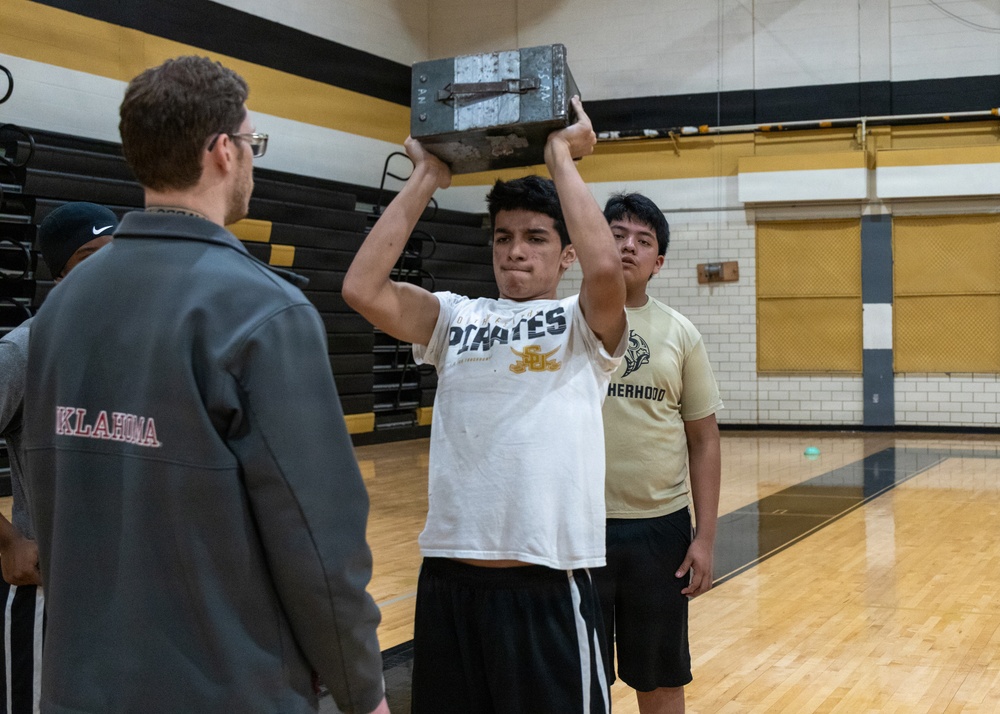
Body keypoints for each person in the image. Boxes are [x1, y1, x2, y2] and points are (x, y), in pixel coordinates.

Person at [20, 56, 388, 714]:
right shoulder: (264, 310)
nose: (253, 160)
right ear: (223, 151)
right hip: (229, 690)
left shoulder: (61, 308)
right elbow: (318, 543)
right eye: (252, 144)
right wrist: (363, 690)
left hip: (80, 686)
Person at [343, 97, 627, 714]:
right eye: (504, 237)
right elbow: (362, 288)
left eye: (534, 238)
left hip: (548, 579)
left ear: (566, 252)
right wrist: (426, 177)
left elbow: (609, 270)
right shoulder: (455, 316)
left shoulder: (579, 322)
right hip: (449, 578)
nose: (515, 251)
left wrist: (560, 157)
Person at [593, 192, 723, 714]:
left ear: (659, 262)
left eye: (642, 241)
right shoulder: (560, 323)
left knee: (662, 677)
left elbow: (704, 437)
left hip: (658, 529)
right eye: (616, 234)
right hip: (575, 528)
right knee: (577, 674)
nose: (627, 247)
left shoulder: (680, 333)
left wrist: (706, 538)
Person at [0, 201, 115, 714]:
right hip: (49, 596)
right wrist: (6, 541)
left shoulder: (140, 348)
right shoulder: (24, 350)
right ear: (61, 274)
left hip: (126, 593)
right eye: (93, 256)